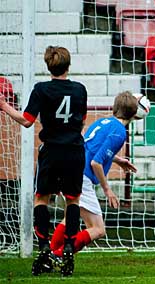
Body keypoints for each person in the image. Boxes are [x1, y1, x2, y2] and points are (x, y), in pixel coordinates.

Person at [0, 46, 87, 276]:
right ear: (68, 66)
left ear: (48, 66)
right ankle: (68, 246)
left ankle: (44, 247)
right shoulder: (80, 90)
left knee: (41, 199)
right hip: (75, 151)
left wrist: (3, 105)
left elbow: (27, 120)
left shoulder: (41, 89)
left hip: (51, 151)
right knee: (73, 201)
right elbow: (82, 121)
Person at [48, 91, 139, 264]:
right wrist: (108, 190)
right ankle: (58, 255)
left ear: (115, 108)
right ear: (134, 114)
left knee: (71, 218)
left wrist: (118, 160)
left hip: (69, 168)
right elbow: (96, 163)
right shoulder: (120, 132)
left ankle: (50, 254)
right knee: (98, 229)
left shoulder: (103, 121)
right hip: (82, 176)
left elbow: (90, 147)